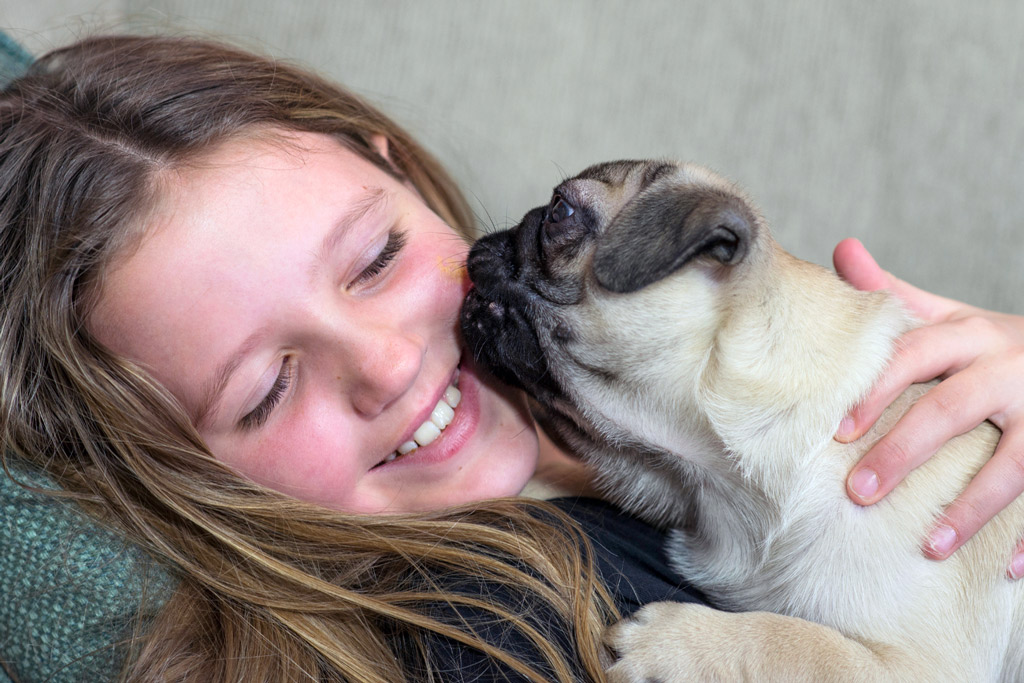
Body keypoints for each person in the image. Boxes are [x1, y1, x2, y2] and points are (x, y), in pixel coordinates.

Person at [1, 33, 1023, 681]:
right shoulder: (496, 631)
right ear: (169, 463)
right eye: (266, 391)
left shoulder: (718, 440)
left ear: (390, 164)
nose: (388, 365)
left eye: (377, 258)